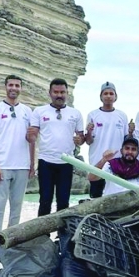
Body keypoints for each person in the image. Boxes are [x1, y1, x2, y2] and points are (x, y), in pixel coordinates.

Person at [28, 79, 85, 216]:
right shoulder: (39, 111)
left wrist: (80, 140)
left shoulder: (75, 113)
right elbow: (32, 137)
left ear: (67, 93)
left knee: (64, 202)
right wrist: (30, 135)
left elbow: (81, 138)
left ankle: (63, 236)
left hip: (67, 162)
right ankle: (42, 235)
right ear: (50, 93)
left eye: (62, 92)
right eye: (56, 92)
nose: (59, 95)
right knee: (45, 200)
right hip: (45, 162)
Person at [0, 74, 33, 239]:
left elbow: (32, 139)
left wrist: (32, 165)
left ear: (21, 88)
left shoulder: (27, 111)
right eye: (11, 85)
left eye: (17, 85)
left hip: (22, 165)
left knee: (16, 207)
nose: (14, 88)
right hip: (3, 165)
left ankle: (11, 239)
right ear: (6, 87)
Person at [84, 82, 129, 199]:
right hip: (97, 162)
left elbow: (126, 140)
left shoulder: (122, 115)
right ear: (101, 96)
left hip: (117, 164)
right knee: (96, 199)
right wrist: (88, 132)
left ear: (115, 96)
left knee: (116, 199)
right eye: (105, 93)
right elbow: (88, 141)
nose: (108, 96)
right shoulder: (93, 115)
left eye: (111, 93)